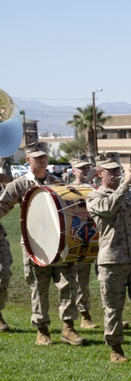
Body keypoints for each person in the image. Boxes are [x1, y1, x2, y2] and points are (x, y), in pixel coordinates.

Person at [0, 142, 83, 344]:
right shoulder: (19, 184)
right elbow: (2, 206)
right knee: (39, 286)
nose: (42, 160)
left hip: (60, 242)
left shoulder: (57, 181)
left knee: (67, 283)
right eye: (37, 157)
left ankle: (68, 328)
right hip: (34, 244)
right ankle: (42, 330)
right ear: (28, 160)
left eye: (44, 156)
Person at [86, 152, 131, 363]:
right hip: (111, 261)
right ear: (100, 174)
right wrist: (124, 185)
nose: (116, 174)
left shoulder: (130, 193)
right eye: (111, 171)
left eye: (118, 170)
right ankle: (116, 350)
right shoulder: (94, 197)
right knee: (113, 307)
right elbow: (108, 209)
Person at [66, 156, 99, 330]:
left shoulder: (97, 187)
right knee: (82, 280)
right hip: (82, 237)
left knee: (105, 280)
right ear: (73, 171)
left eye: (88, 167)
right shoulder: (67, 189)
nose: (85, 170)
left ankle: (110, 314)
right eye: (81, 168)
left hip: (101, 237)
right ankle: (85, 316)